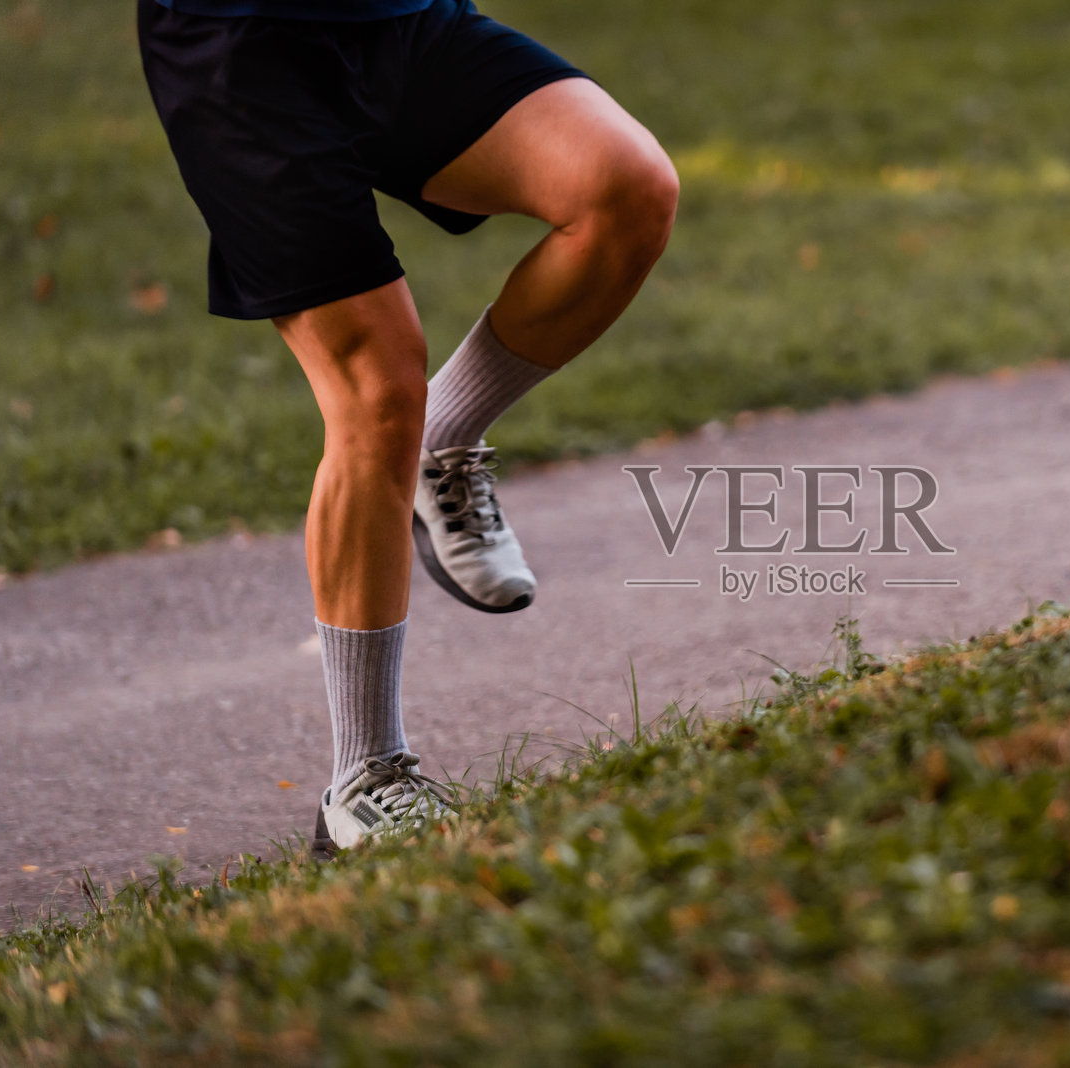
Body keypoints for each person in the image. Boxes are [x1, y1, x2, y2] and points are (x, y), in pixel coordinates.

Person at [136, 0, 679, 853]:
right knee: (378, 389)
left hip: (403, 23)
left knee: (627, 187)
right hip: (241, 52)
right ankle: (364, 776)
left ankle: (445, 437)